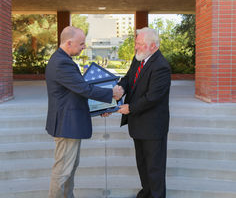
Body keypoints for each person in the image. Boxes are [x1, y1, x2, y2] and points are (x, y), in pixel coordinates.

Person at [45, 26, 123, 198]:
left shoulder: (62, 60)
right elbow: (83, 89)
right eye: (81, 44)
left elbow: (74, 93)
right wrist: (111, 94)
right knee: (63, 171)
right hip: (67, 125)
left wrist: (102, 108)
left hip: (70, 123)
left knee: (69, 168)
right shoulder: (62, 63)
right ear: (69, 42)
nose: (84, 47)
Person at [117, 27, 171, 198]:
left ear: (153, 46)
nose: (136, 47)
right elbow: (128, 78)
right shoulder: (139, 58)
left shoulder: (161, 66)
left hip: (152, 126)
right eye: (136, 43)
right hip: (138, 124)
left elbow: (152, 97)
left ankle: (156, 195)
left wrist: (130, 108)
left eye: (140, 44)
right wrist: (120, 88)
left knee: (154, 167)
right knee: (142, 164)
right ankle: (146, 193)